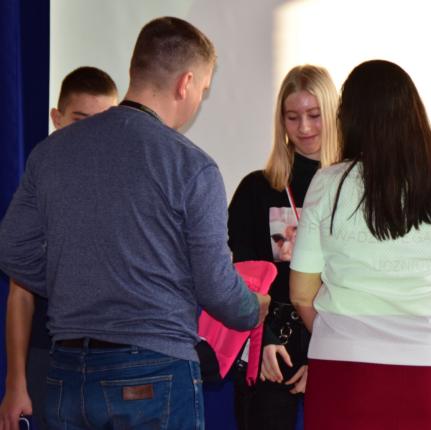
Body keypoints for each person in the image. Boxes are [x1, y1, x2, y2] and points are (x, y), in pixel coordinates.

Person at [0, 17, 269, 430]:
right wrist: (253, 308)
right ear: (185, 83)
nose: (199, 99)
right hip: (154, 372)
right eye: (203, 90)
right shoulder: (191, 166)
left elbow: (13, 249)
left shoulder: (51, 153)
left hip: (67, 371)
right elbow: (215, 285)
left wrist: (76, 280)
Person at [289, 59, 431, 429]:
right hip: (428, 369)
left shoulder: (328, 183)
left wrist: (342, 332)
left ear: (349, 118)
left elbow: (301, 295)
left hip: (342, 367)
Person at [0, 66, 118, 430]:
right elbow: (20, 295)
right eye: (79, 121)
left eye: (101, 123)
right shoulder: (39, 190)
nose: (89, 135)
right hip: (46, 356)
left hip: (114, 359)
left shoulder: (125, 192)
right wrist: (15, 382)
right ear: (57, 118)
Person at [227, 65, 339, 430]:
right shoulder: (257, 189)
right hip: (271, 345)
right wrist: (262, 341)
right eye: (293, 117)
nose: (304, 128)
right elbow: (242, 275)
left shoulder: (355, 186)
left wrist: (323, 354)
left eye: (314, 115)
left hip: (336, 343)